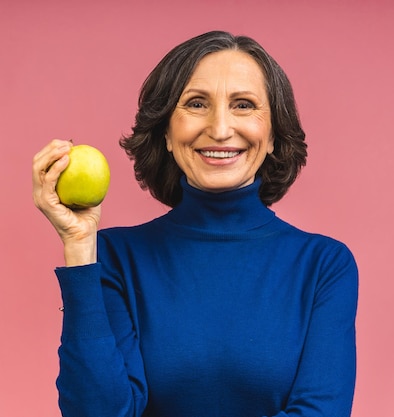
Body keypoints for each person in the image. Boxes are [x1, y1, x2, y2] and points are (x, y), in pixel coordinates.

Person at [32, 30, 358, 417]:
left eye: (243, 105)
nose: (220, 129)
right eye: (197, 104)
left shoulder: (324, 265)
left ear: (273, 135)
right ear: (167, 132)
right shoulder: (112, 257)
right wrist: (79, 247)